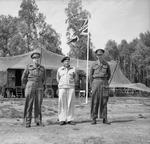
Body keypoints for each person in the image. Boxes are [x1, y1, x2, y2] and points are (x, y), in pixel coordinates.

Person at [21, 49, 45, 128]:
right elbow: (23, 78)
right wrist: (27, 86)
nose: (36, 59)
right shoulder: (28, 67)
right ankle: (27, 122)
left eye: (38, 58)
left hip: (39, 87)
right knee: (29, 104)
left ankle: (38, 121)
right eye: (35, 58)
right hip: (30, 86)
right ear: (32, 59)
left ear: (39, 59)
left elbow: (44, 79)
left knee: (38, 104)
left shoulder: (42, 68)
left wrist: (41, 85)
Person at [89, 49, 111, 125]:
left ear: (103, 55)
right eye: (98, 55)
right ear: (96, 55)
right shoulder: (93, 64)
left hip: (104, 83)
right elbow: (90, 76)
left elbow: (109, 75)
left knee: (104, 101)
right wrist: (92, 86)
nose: (99, 56)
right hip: (95, 83)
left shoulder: (106, 64)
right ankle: (93, 118)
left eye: (101, 54)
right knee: (95, 101)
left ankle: (105, 118)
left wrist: (104, 81)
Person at [56, 56, 77, 125]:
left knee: (70, 103)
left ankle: (70, 119)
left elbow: (76, 78)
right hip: (62, 88)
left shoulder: (73, 69)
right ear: (63, 62)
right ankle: (62, 119)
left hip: (71, 88)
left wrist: (73, 84)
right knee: (62, 103)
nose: (67, 62)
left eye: (68, 61)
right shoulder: (60, 69)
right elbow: (58, 78)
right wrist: (60, 85)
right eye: (65, 61)